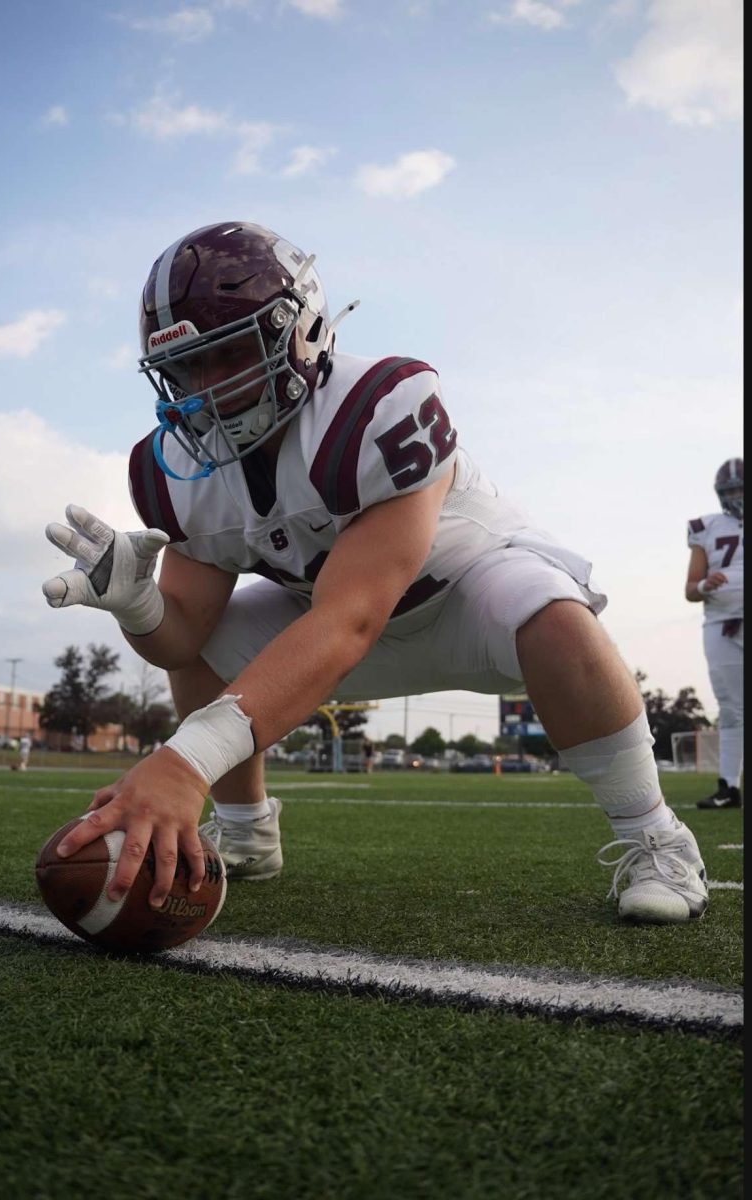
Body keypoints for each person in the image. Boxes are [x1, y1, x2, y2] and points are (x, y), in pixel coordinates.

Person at [42, 220, 708, 925]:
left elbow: (348, 618)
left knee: (548, 610)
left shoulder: (379, 405)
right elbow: (181, 645)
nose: (206, 390)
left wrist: (184, 763)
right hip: (329, 621)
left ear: (298, 329)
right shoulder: (173, 470)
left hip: (467, 602)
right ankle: (245, 833)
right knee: (210, 643)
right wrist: (140, 609)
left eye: (229, 354)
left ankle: (655, 839)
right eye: (186, 368)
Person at [686, 459, 744, 809]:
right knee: (731, 709)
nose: (736, 496)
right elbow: (690, 590)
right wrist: (706, 583)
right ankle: (729, 786)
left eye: (740, 489)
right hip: (722, 624)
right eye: (729, 491)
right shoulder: (705, 527)